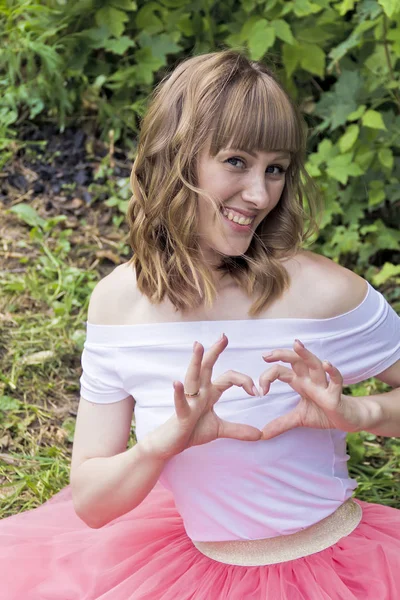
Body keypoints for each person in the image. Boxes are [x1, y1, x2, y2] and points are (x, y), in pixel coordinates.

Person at [1, 49, 400, 600]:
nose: (260, 195)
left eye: (275, 168)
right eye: (236, 161)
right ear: (177, 158)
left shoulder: (323, 293)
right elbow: (92, 503)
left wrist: (359, 412)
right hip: (184, 570)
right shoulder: (119, 305)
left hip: (336, 566)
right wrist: (163, 445)